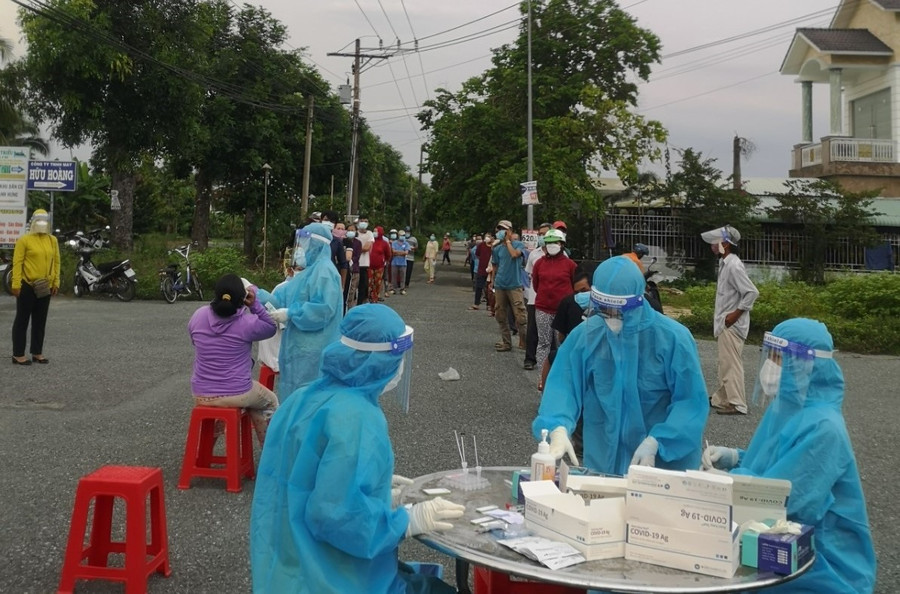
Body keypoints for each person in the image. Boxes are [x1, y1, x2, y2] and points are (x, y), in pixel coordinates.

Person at [250, 304, 464, 594]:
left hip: (285, 565)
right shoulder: (358, 419)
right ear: (382, 360)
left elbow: (308, 481)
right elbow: (337, 518)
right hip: (331, 579)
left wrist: (377, 495)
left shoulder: (303, 397)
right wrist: (406, 520)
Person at [703, 319, 876, 593]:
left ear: (807, 365)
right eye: (769, 356)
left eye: (779, 358)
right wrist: (737, 458)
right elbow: (779, 461)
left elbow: (788, 499)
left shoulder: (824, 427)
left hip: (818, 559)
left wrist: (727, 483)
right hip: (775, 541)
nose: (771, 367)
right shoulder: (787, 407)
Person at [533, 256, 708, 474]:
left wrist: (659, 441)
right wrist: (557, 425)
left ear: (638, 301)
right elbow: (564, 384)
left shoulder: (673, 339)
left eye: (617, 311)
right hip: (604, 457)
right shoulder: (587, 335)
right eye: (603, 309)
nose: (610, 317)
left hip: (661, 466)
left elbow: (690, 402)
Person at [188, 274, 278, 445]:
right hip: (237, 392)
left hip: (201, 393)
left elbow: (194, 341)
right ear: (242, 299)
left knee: (227, 407)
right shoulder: (247, 323)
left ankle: (204, 453)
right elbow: (271, 327)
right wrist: (256, 305)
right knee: (269, 401)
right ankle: (269, 452)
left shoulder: (198, 315)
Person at [259, 223, 344, 398]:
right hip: (299, 350)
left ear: (316, 244)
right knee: (295, 397)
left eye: (304, 243)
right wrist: (255, 293)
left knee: (309, 399)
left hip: (314, 351)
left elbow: (323, 311)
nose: (300, 248)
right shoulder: (307, 273)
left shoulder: (325, 272)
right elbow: (281, 299)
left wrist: (291, 314)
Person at [702, 225, 759, 415]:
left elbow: (751, 292)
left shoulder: (733, 265)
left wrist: (734, 315)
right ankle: (723, 399)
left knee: (731, 364)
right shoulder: (725, 262)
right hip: (726, 323)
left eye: (715, 241)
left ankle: (737, 403)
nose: (712, 245)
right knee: (725, 363)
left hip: (732, 325)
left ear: (725, 244)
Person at [11, 209, 60, 365]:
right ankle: (18, 354)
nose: (41, 223)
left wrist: (55, 282)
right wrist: (16, 284)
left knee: (40, 321)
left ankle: (37, 352)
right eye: (38, 220)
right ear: (32, 221)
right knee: (22, 320)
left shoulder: (52, 240)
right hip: (27, 285)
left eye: (44, 220)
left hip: (45, 285)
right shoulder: (24, 240)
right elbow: (17, 263)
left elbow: (56, 262)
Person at [531, 229, 576, 373]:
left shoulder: (570, 265)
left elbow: (575, 285)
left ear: (562, 244)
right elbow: (536, 285)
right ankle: (542, 376)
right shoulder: (539, 263)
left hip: (562, 311)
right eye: (549, 242)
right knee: (543, 343)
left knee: (562, 344)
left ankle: (561, 375)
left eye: (555, 242)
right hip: (543, 308)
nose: (552, 245)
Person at [491, 220, 528, 352]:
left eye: (504, 229)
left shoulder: (518, 244)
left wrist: (507, 242)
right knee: (500, 314)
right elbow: (495, 265)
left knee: (520, 315)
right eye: (499, 229)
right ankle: (506, 342)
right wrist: (492, 281)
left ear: (510, 231)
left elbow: (514, 255)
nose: (501, 232)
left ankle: (524, 341)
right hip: (500, 284)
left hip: (514, 285)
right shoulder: (496, 249)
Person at [523, 222, 552, 369]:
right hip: (535, 297)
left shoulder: (562, 254)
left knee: (552, 332)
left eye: (544, 234)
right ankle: (530, 358)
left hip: (553, 300)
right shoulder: (534, 254)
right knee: (532, 330)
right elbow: (529, 275)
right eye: (540, 234)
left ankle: (551, 361)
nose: (541, 237)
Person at [356, 216, 375, 307]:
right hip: (354, 264)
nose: (363, 222)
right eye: (362, 221)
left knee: (363, 287)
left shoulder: (370, 233)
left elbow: (367, 248)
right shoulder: (354, 233)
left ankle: (360, 304)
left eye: (365, 221)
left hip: (364, 264)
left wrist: (356, 248)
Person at [343, 224, 362, 311]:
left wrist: (349, 261)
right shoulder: (342, 241)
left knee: (352, 291)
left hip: (354, 269)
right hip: (343, 269)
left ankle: (350, 309)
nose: (350, 232)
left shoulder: (358, 243)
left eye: (352, 230)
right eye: (349, 230)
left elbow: (357, 256)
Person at [391, 230, 410, 295]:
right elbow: (393, 252)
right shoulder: (394, 243)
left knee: (403, 277)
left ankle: (402, 289)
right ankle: (393, 289)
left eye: (404, 235)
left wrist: (398, 252)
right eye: (401, 235)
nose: (403, 236)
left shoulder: (406, 243)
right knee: (394, 277)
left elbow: (406, 253)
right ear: (398, 235)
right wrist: (402, 252)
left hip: (403, 263)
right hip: (394, 262)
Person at [403, 226, 418, 291]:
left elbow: (416, 247)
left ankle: (407, 283)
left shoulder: (414, 239)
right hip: (403, 257)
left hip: (410, 258)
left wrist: (413, 248)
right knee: (402, 271)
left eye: (408, 232)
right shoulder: (402, 238)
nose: (407, 233)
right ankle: (401, 283)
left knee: (408, 271)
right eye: (406, 232)